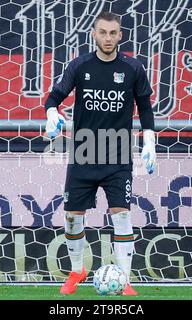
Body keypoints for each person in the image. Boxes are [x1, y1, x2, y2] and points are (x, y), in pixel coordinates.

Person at [44, 11, 156, 296]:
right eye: (103, 32)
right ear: (94, 34)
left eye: (113, 33)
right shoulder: (80, 65)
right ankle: (77, 270)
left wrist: (150, 142)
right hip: (84, 150)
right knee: (72, 216)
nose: (108, 37)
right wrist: (51, 114)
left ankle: (125, 280)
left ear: (121, 35)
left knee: (121, 214)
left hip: (118, 153)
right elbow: (54, 97)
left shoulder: (133, 68)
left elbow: (145, 107)